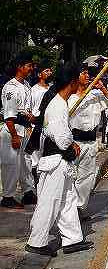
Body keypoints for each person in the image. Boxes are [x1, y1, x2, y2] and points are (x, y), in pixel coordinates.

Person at [25, 63, 92, 256]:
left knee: (67, 201)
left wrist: (70, 144)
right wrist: (72, 144)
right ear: (72, 82)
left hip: (60, 161)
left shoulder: (59, 102)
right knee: (50, 201)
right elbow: (61, 138)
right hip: (55, 161)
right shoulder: (57, 105)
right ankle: (37, 241)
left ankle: (72, 239)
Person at [68, 66, 108, 219]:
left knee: (86, 177)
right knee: (70, 176)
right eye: (83, 73)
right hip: (72, 141)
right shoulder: (69, 97)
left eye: (88, 73)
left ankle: (79, 208)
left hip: (90, 142)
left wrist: (102, 87)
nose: (87, 75)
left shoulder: (95, 95)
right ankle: (68, 208)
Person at [1, 50, 36, 208]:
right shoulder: (11, 87)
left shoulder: (26, 85)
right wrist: (14, 135)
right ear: (20, 67)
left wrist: (29, 122)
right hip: (12, 129)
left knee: (25, 163)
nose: (31, 68)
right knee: (11, 164)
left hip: (24, 128)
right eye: (29, 66)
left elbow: (25, 109)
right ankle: (8, 197)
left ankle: (28, 193)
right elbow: (9, 115)